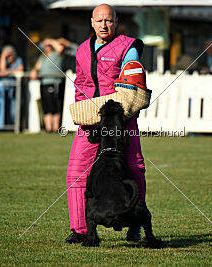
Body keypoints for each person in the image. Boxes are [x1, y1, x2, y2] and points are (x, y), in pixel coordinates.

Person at [64, 4, 145, 244]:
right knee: (76, 174)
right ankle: (80, 230)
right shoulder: (81, 50)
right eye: (99, 21)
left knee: (134, 169)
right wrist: (83, 113)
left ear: (116, 21)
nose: (103, 25)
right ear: (91, 22)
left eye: (108, 20)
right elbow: (80, 84)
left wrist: (121, 116)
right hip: (89, 122)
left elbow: (133, 83)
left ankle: (136, 226)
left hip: (121, 120)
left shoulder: (129, 48)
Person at [30, 38, 70, 133]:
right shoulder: (42, 57)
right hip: (44, 83)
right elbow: (37, 67)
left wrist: (50, 41)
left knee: (55, 106)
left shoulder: (57, 54)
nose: (47, 47)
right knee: (46, 106)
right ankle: (48, 129)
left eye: (48, 45)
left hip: (55, 82)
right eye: (45, 45)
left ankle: (55, 128)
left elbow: (60, 48)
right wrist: (34, 71)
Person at [0, 45, 24, 124]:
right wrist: (3, 56)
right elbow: (2, 71)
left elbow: (20, 70)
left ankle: (14, 127)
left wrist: (8, 72)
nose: (9, 57)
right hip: (4, 89)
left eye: (10, 55)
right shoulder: (5, 61)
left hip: (15, 91)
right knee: (4, 109)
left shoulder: (18, 60)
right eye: (8, 56)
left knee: (14, 111)